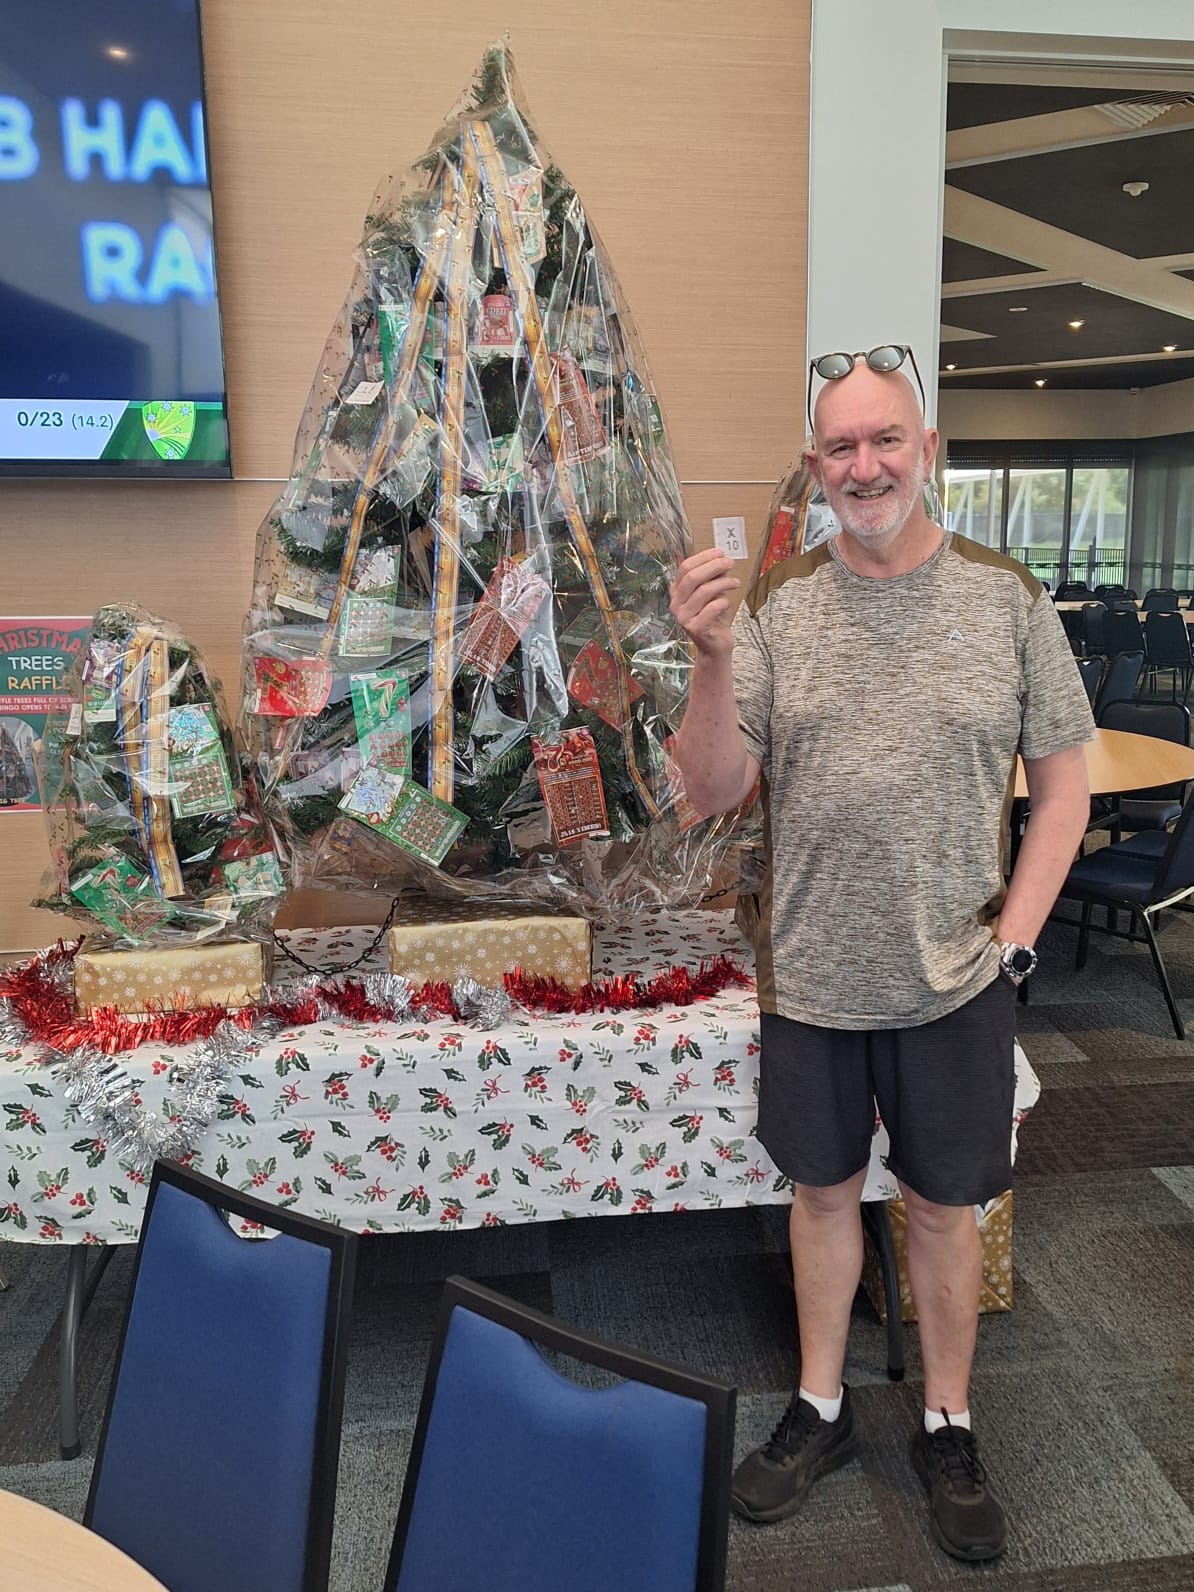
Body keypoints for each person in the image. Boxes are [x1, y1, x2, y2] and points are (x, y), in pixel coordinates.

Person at [667, 347, 1094, 1564]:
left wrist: (1016, 945)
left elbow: (1063, 789)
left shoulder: (1006, 599)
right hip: (810, 975)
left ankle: (948, 1419)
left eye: (885, 439)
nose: (865, 465)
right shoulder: (778, 606)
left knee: (945, 1206)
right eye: (842, 446)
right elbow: (711, 789)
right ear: (816, 467)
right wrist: (710, 657)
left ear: (927, 450)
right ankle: (822, 1404)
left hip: (956, 976)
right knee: (819, 1194)